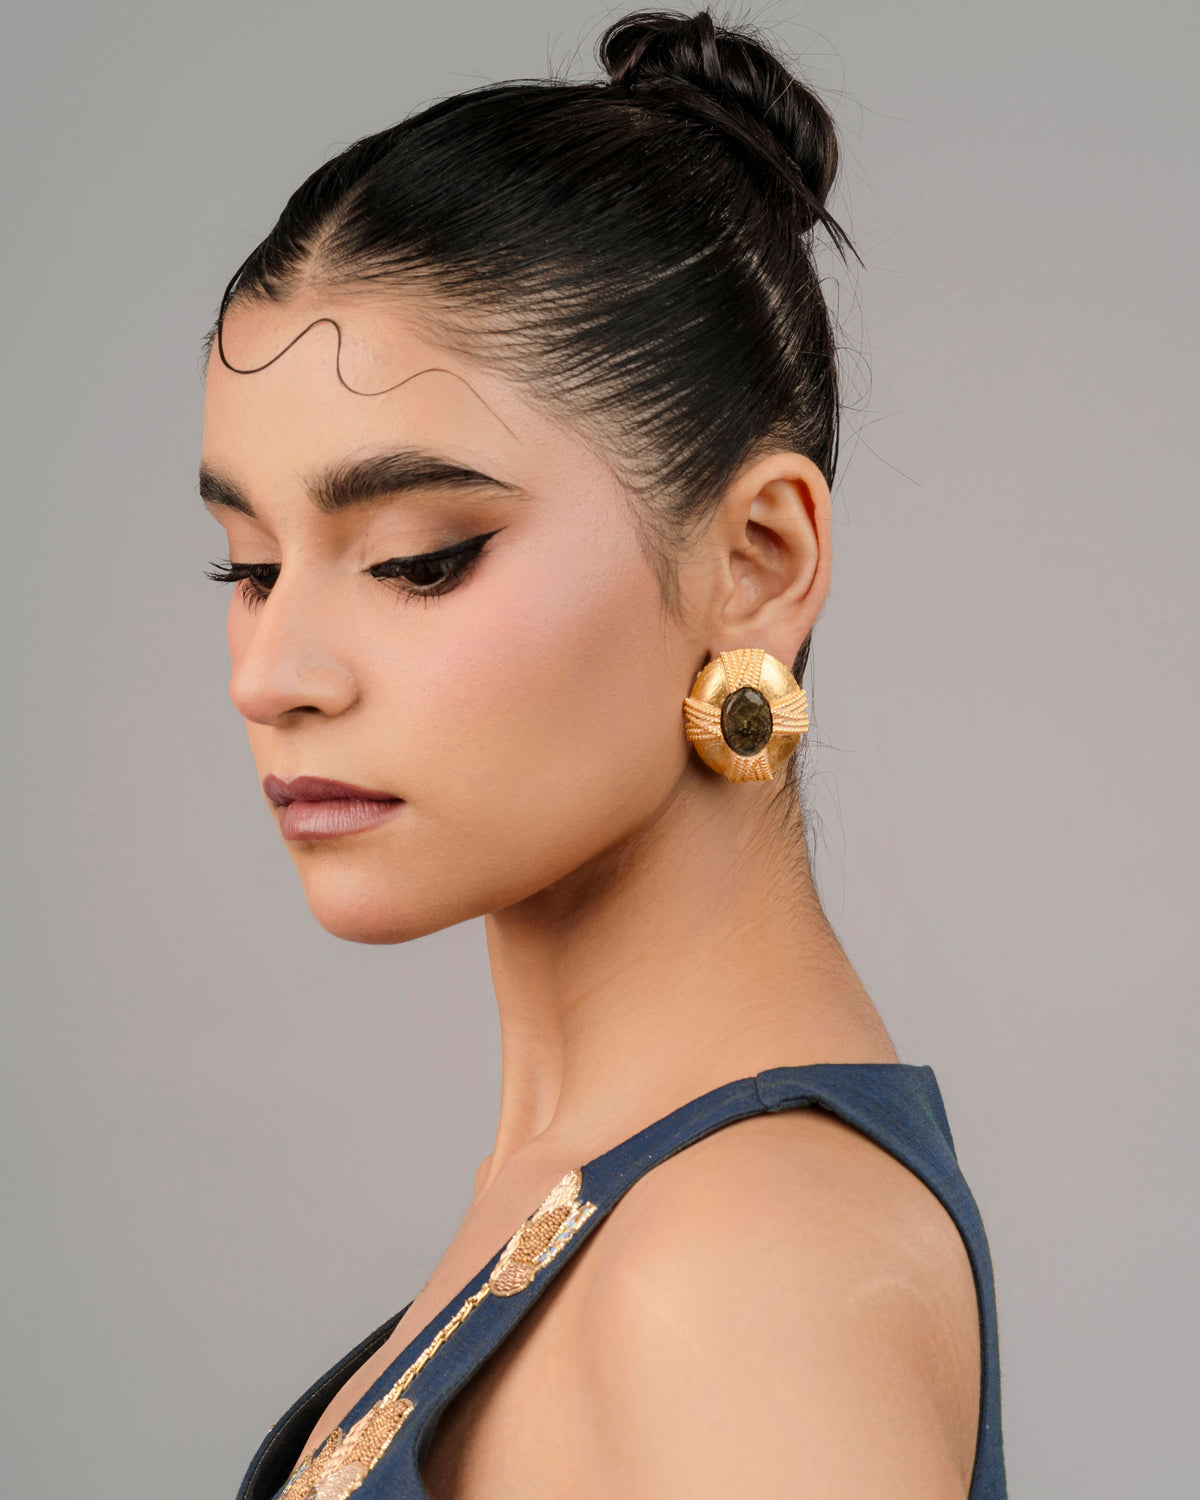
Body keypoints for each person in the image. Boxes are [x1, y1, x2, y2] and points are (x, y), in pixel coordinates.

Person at [199, 8, 1006, 1497]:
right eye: (247, 566)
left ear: (757, 563)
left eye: (419, 560)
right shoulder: (608, 1203)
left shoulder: (740, 1265)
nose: (272, 673)